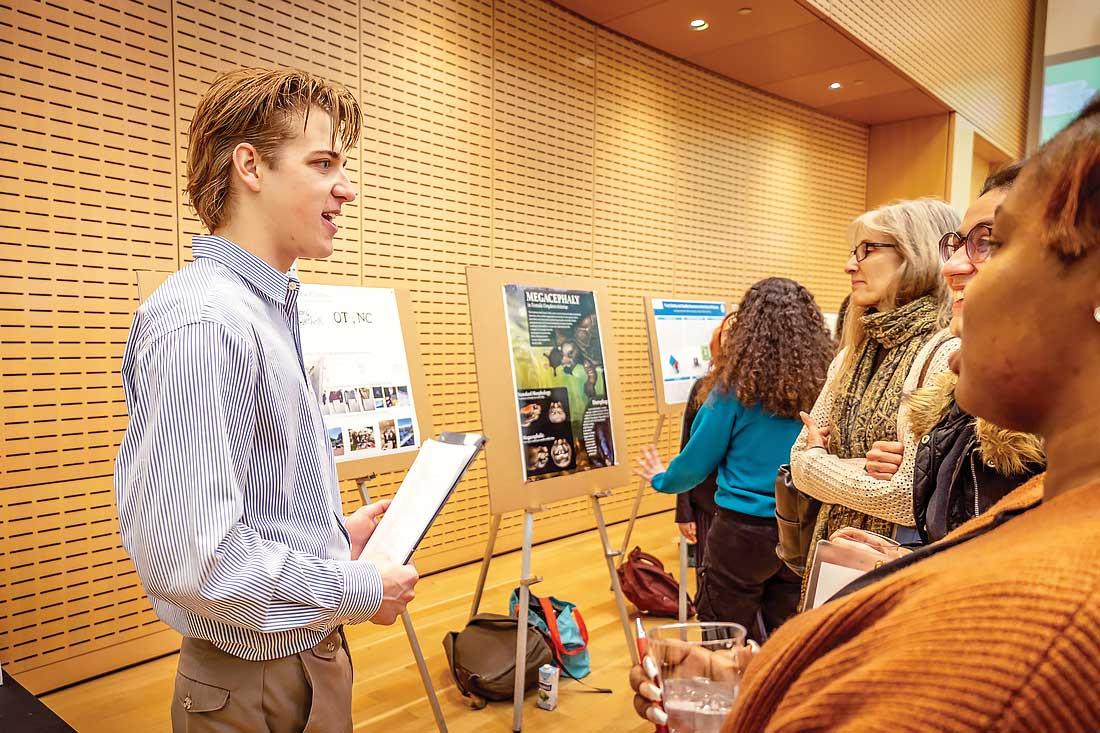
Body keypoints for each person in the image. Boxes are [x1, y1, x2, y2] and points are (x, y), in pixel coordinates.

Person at [634, 93, 1100, 732]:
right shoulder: (1045, 506)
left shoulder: (1046, 636)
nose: (956, 269)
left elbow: (891, 491)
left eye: (994, 242)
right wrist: (763, 685)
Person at [114, 68, 418, 731]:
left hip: (301, 664)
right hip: (250, 687)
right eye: (323, 163)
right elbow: (196, 557)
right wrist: (353, 585)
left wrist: (338, 538)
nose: (348, 187)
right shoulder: (205, 320)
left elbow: (253, 500)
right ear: (250, 165)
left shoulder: (264, 305)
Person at [635, 278, 833, 634]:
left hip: (742, 533)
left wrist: (661, 478)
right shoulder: (824, 386)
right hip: (803, 528)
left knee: (723, 637)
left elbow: (694, 465)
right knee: (783, 636)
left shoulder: (733, 391)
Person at [790, 198, 959, 576]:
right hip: (835, 550)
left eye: (868, 250)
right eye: (854, 251)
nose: (850, 264)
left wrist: (824, 461)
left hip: (898, 562)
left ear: (915, 254)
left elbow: (905, 497)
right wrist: (860, 468)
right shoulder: (853, 351)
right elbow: (798, 462)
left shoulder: (945, 352)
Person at [673, 312, 734, 579]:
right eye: (727, 333)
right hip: (706, 504)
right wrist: (683, 510)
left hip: (745, 511)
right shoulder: (703, 387)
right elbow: (688, 449)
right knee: (708, 581)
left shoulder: (774, 393)